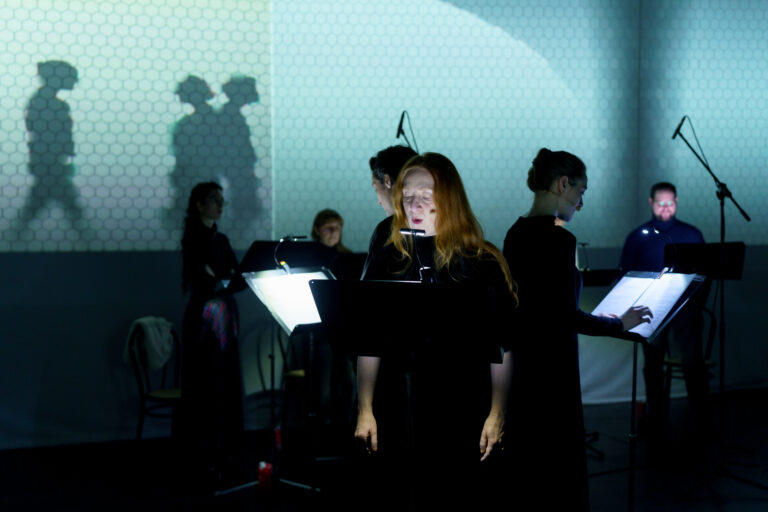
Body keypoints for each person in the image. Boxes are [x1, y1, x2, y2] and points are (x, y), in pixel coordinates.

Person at [355, 152, 517, 509]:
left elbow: (502, 347)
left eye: (425, 196)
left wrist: (497, 412)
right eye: (407, 195)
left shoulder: (483, 262)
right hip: (399, 403)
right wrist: (365, 407)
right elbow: (370, 343)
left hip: (462, 405)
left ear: (448, 198)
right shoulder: (387, 258)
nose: (414, 204)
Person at [502, 148, 652, 511]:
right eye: (580, 192)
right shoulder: (559, 240)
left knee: (530, 474)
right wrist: (620, 323)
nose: (580, 203)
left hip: (523, 368)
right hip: (553, 371)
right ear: (563, 183)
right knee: (559, 476)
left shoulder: (514, 233)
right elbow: (564, 315)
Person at [619, 182, 710, 452]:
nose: (666, 208)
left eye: (670, 203)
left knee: (693, 363)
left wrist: (694, 307)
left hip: (685, 311)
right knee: (652, 365)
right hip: (650, 312)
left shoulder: (691, 234)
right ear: (650, 202)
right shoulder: (639, 236)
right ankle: (657, 419)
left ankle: (701, 422)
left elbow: (704, 275)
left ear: (677, 202)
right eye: (660, 203)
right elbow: (624, 274)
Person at [178, 181, 247, 488]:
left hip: (225, 315)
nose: (221, 205)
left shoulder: (222, 239)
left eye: (222, 200)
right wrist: (222, 280)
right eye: (214, 200)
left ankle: (225, 453)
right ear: (199, 205)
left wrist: (223, 280)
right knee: (206, 384)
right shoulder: (192, 238)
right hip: (205, 320)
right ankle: (203, 456)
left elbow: (234, 276)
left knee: (226, 381)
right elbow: (204, 279)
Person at [360, 145, 417, 279]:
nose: (379, 202)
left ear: (387, 181)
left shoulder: (387, 229)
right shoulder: (450, 224)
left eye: (376, 189)